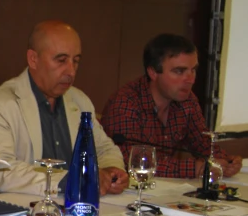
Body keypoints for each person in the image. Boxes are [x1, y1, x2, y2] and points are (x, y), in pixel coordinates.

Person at [0, 20, 128, 196]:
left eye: (75, 61)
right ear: (33, 59)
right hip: (19, 211)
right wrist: (66, 181)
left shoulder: (79, 100)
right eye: (61, 60)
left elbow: (103, 148)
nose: (71, 71)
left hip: (73, 207)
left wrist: (111, 170)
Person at [101, 33, 241, 178]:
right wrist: (196, 167)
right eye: (179, 71)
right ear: (153, 72)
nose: (190, 80)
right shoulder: (125, 103)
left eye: (193, 70)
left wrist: (226, 160)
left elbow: (202, 142)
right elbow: (131, 162)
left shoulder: (188, 100)